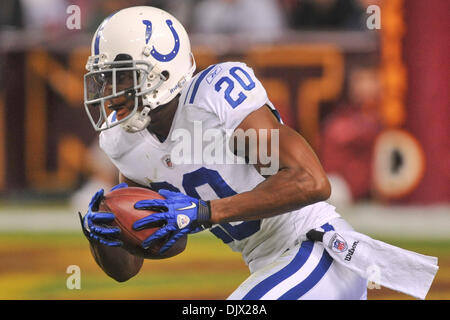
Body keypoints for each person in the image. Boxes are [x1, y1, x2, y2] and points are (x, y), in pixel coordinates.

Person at [79, 6, 437, 299]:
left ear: (160, 70)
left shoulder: (213, 98)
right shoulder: (124, 140)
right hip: (273, 268)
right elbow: (159, 246)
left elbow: (310, 181)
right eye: (104, 78)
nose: (109, 92)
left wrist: (205, 212)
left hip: (317, 250)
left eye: (121, 76)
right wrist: (108, 234)